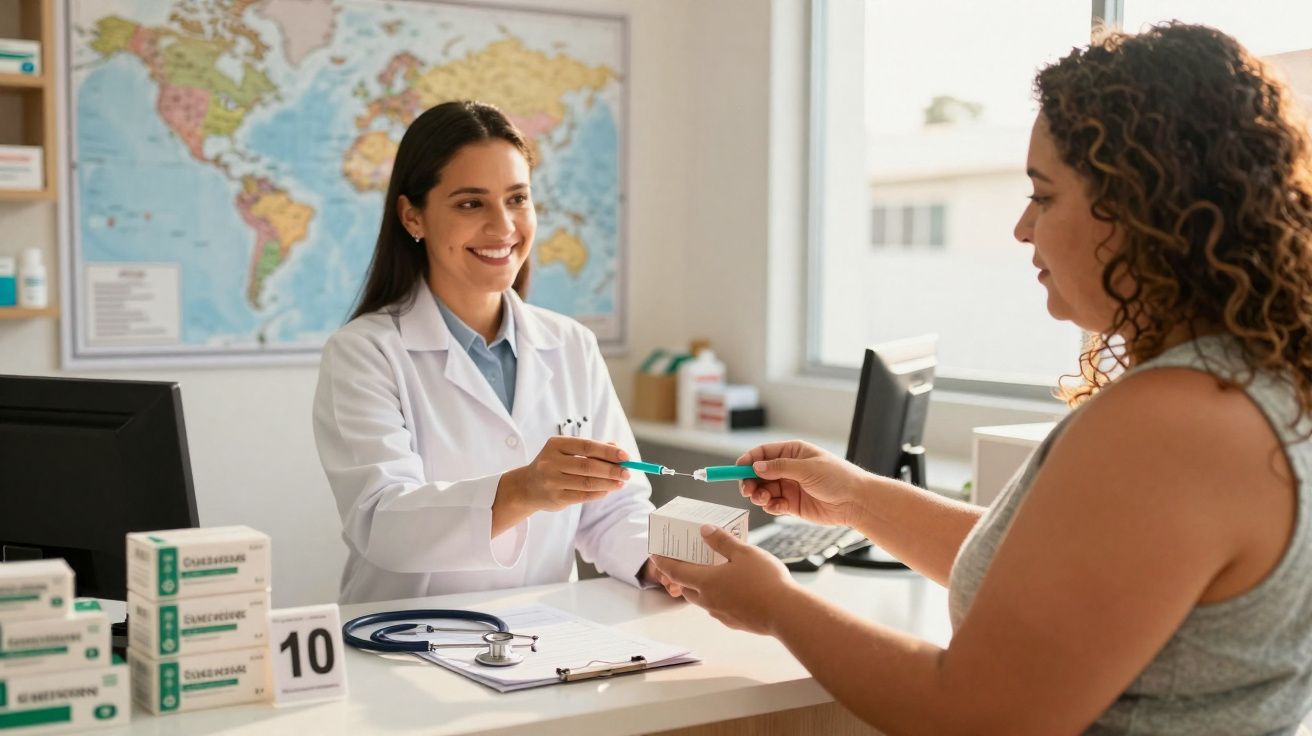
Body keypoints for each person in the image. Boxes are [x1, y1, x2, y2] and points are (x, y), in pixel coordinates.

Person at [651, 23, 1312, 734]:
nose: (1023, 228)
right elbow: (1066, 578)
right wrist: (858, 499)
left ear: (1140, 208)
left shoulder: (1175, 421)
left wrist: (778, 606)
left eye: (1044, 195)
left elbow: (977, 715)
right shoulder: (1254, 384)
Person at [313, 100, 675, 604]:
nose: (503, 227)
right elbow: (381, 521)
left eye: (517, 199)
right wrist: (524, 489)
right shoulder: (365, 354)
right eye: (470, 203)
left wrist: (657, 561)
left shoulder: (571, 345)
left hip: (544, 638)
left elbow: (613, 507)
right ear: (412, 215)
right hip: (407, 642)